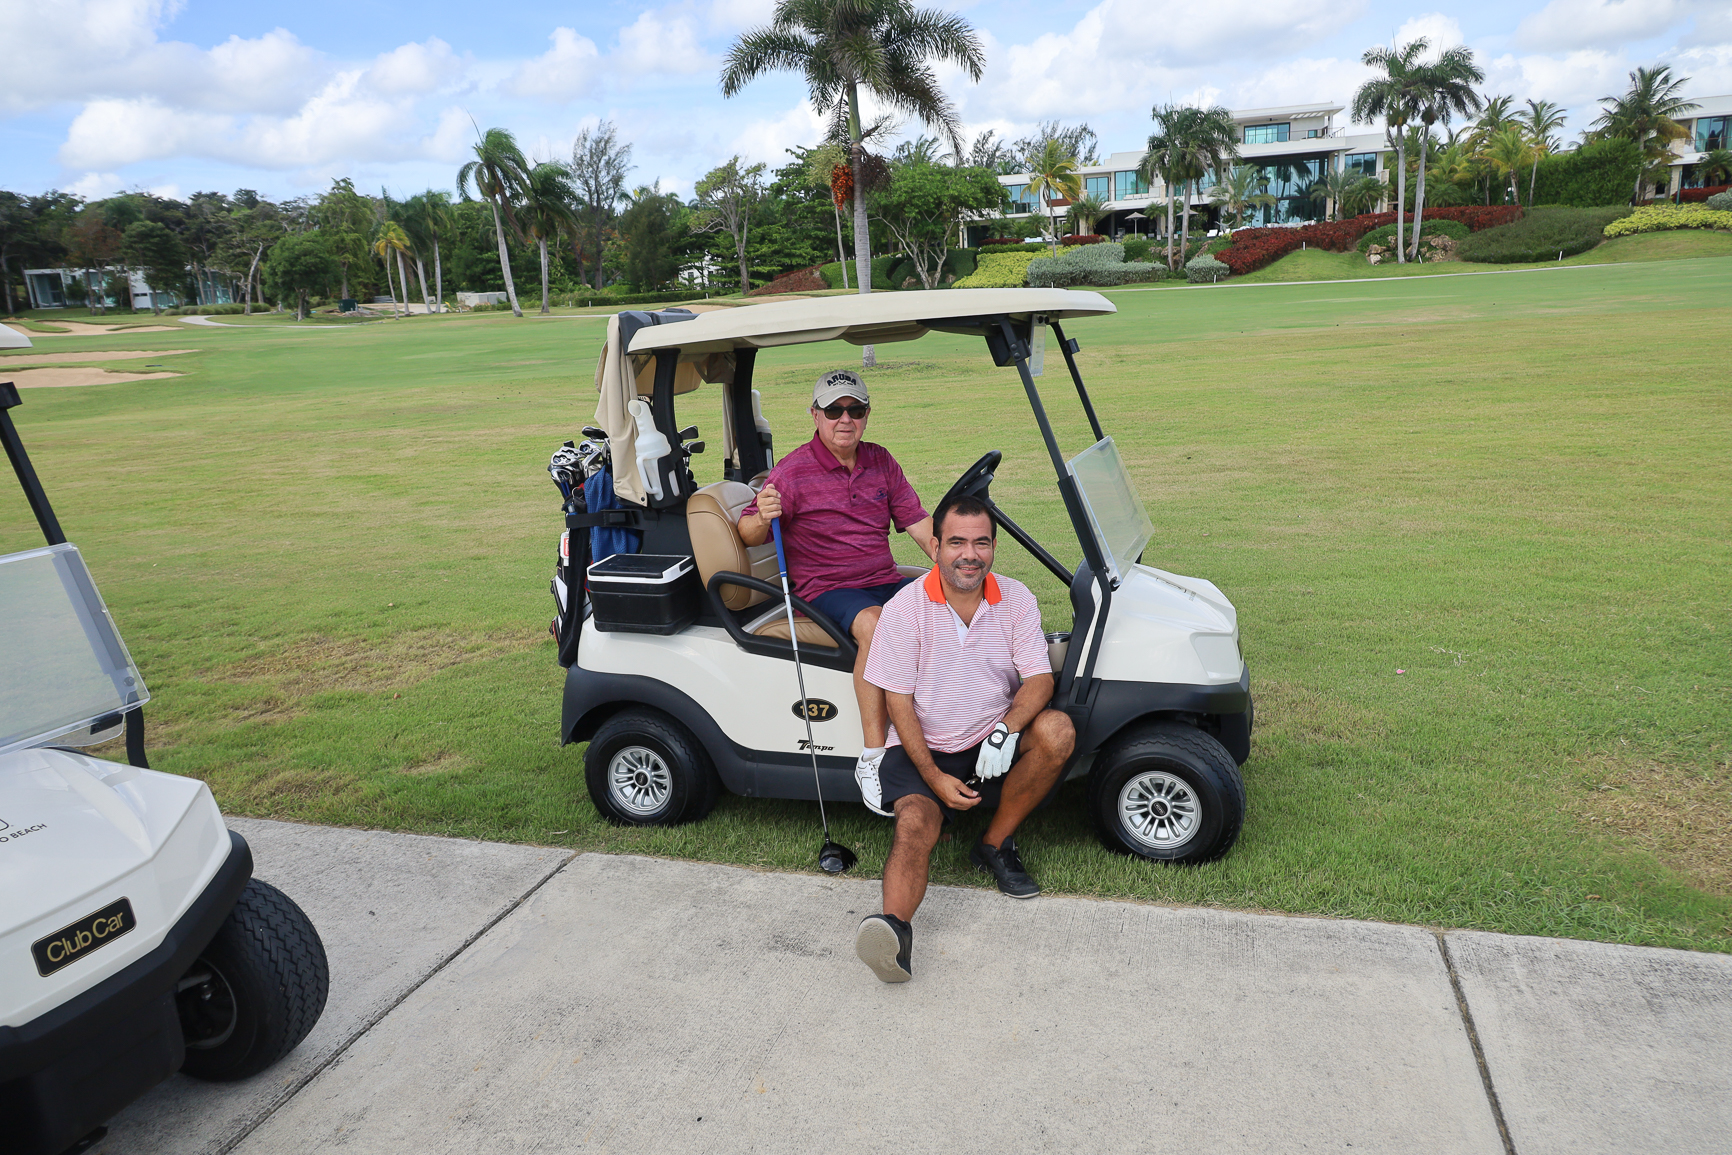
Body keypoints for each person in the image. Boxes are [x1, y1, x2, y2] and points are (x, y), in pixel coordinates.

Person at [851, 493, 1076, 984]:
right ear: (935, 547)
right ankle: (894, 931)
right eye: (956, 542)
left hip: (988, 741)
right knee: (915, 823)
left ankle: (993, 844)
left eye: (981, 543)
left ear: (993, 546)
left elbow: (1040, 679)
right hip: (924, 747)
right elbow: (897, 702)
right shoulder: (904, 609)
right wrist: (932, 777)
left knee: (1058, 730)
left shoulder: (1016, 597)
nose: (969, 555)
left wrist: (1004, 731)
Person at [738, 369, 935, 808]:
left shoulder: (880, 460)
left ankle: (950, 731)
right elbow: (749, 533)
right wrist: (761, 514)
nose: (845, 419)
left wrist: (953, 558)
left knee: (944, 607)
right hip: (825, 589)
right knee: (876, 625)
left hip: (883, 579)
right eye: (833, 411)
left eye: (855, 409)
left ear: (867, 414)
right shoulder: (792, 472)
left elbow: (918, 523)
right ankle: (872, 757)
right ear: (815, 415)